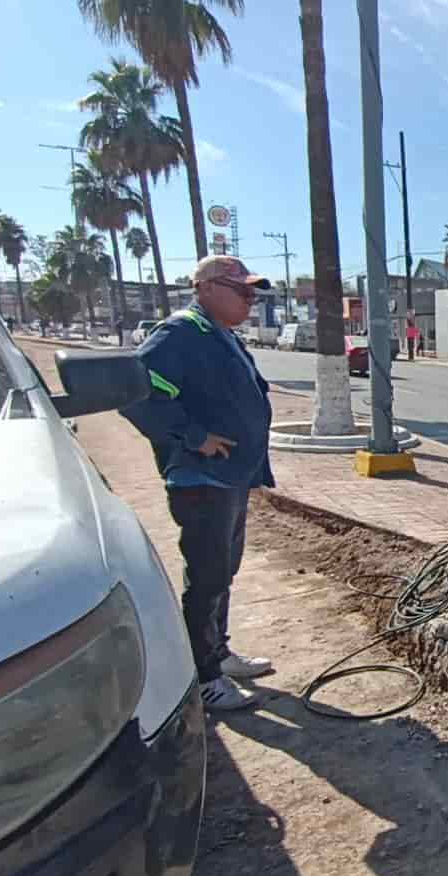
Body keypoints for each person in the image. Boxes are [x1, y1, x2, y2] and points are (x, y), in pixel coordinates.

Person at [121, 255, 278, 712]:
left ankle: (219, 652)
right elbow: (137, 396)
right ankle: (204, 676)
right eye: (242, 290)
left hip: (230, 478)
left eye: (253, 292)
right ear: (205, 287)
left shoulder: (220, 334)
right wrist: (196, 438)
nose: (250, 299)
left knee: (222, 573)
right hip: (201, 480)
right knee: (206, 578)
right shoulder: (179, 335)